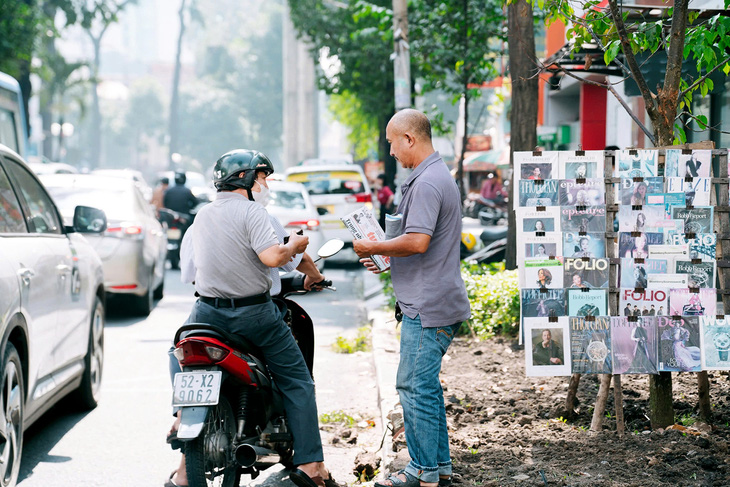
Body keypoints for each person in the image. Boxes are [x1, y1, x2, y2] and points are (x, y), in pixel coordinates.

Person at [165, 149, 343, 487]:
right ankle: (310, 467)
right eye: (263, 177)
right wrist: (296, 245)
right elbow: (275, 257)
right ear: (247, 179)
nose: (266, 184)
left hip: (205, 313)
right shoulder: (254, 213)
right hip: (254, 315)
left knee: (179, 349)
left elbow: (190, 273)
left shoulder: (201, 217)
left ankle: (181, 426)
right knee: (297, 381)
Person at [353, 109, 470, 487]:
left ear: (409, 139)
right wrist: (387, 257)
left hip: (428, 305)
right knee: (426, 387)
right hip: (432, 297)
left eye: (391, 142)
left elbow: (417, 242)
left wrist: (373, 245)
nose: (390, 151)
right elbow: (423, 244)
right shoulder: (434, 177)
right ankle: (438, 469)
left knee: (412, 386)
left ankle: (422, 472)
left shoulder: (427, 183)